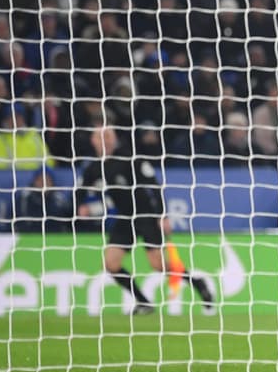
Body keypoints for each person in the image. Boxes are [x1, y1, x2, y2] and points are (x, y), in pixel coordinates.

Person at [77, 124, 215, 315]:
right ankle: (143, 302)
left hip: (145, 215)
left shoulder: (130, 159)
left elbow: (155, 187)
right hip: (124, 218)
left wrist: (162, 215)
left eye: (108, 135)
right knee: (111, 264)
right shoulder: (93, 167)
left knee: (158, 265)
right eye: (99, 135)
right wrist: (81, 206)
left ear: (114, 139)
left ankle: (198, 283)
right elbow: (81, 191)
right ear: (92, 140)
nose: (104, 139)